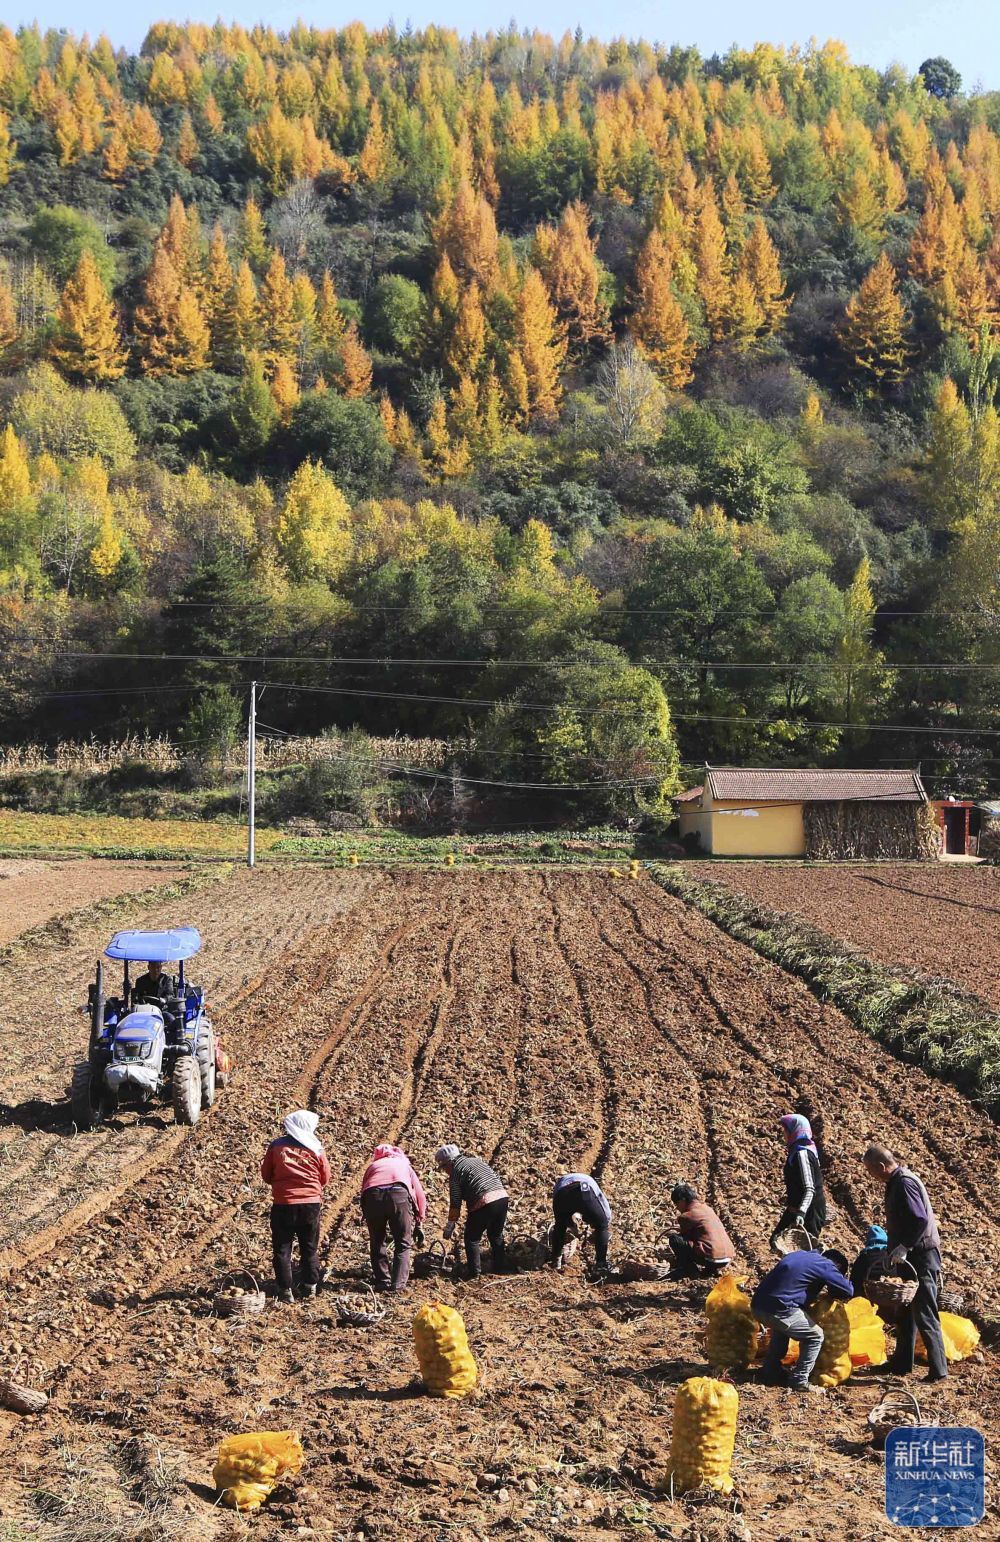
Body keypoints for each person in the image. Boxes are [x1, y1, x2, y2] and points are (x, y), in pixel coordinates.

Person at [862, 1145, 948, 1382]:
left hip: (921, 1256)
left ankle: (939, 1370)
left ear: (881, 1166)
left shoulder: (904, 1183)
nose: (871, 1175)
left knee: (925, 1310)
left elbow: (919, 1219)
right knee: (906, 1311)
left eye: (871, 1170)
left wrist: (905, 1246)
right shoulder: (897, 1181)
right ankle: (901, 1364)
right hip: (911, 1255)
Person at [752, 1247, 854, 1393]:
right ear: (836, 1266)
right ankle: (799, 1380)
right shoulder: (825, 1264)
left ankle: (770, 1370)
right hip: (779, 1309)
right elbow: (847, 1290)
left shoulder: (800, 1255)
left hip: (758, 1306)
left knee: (782, 1329)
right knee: (815, 1336)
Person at [261, 1110, 331, 1303]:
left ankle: (285, 1290)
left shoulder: (277, 1146)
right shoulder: (316, 1148)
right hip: (310, 1204)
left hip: (283, 1204)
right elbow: (325, 1177)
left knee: (282, 1248)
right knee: (309, 1247)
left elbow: (266, 1175)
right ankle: (310, 1286)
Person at [360, 1142, 428, 1293]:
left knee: (377, 1240)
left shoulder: (373, 1166)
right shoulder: (403, 1165)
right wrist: (420, 1218)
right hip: (399, 1195)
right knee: (403, 1242)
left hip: (373, 1197)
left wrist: (366, 1213)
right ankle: (398, 1285)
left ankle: (383, 1280)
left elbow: (364, 1189)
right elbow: (419, 1194)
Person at [435, 1144, 508, 1279]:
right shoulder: (476, 1161)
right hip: (502, 1197)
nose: (445, 1171)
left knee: (471, 1238)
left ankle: (474, 1272)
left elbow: (455, 1202)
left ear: (449, 1164)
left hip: (484, 1201)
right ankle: (500, 1267)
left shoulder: (456, 1172)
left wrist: (451, 1224)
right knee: (496, 1235)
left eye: (444, 1168)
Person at [771, 1113, 827, 1247]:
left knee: (804, 1248)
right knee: (776, 1240)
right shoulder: (797, 1152)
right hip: (797, 1207)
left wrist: (801, 1213)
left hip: (809, 1210)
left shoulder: (803, 1154)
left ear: (793, 1131)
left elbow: (809, 1188)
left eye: (785, 1130)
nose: (783, 1134)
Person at [665, 1183, 735, 1279]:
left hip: (711, 1258)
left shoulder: (686, 1216)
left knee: (675, 1239)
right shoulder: (708, 1209)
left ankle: (692, 1272)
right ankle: (711, 1270)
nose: (677, 1207)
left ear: (682, 1201)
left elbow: (686, 1238)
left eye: (676, 1204)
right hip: (727, 1257)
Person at [551, 1172, 612, 1274]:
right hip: (584, 1189)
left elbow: (560, 1207)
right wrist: (602, 1226)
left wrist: (567, 1224)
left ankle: (555, 1261)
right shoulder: (590, 1181)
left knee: (560, 1227)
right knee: (602, 1226)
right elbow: (603, 1206)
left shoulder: (560, 1183)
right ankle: (601, 1265)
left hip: (562, 1194)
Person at [849, 1223, 889, 1294]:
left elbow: (854, 1280)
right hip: (889, 1293)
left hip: (867, 1295)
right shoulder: (890, 1254)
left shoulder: (864, 1256)